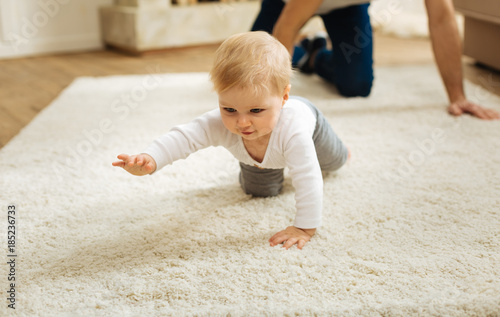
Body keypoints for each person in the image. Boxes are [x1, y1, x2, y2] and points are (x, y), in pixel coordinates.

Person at [112, 31, 349, 250]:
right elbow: (184, 137)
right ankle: (262, 159)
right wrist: (150, 158)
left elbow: (308, 178)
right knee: (260, 192)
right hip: (257, 156)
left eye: (256, 110)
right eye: (229, 109)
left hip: (312, 128)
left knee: (333, 162)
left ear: (284, 96)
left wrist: (304, 227)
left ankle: (342, 150)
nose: (242, 123)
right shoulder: (220, 122)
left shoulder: (295, 131)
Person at [251, 0, 500, 120]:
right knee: (253, 67)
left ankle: (312, 55)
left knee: (356, 86)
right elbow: (286, 27)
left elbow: (441, 19)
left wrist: (458, 96)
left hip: (346, 6)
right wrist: (276, 104)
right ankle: (300, 54)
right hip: (285, 7)